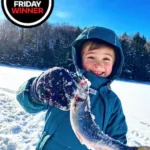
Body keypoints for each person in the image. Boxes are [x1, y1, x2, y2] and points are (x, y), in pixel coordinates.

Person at [16, 26, 127, 150]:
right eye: (91, 57)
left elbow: (118, 137)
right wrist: (36, 89)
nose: (99, 64)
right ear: (80, 60)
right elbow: (25, 102)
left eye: (106, 59)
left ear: (115, 64)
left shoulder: (113, 102)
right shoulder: (64, 84)